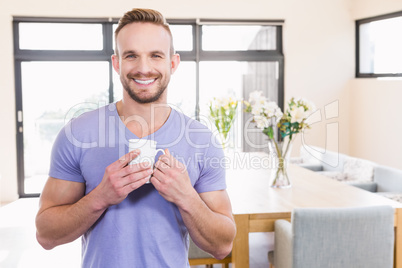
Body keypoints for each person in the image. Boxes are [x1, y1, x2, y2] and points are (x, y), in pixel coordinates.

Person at [35, 8, 236, 268]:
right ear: (117, 63)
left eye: (155, 55)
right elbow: (45, 235)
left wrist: (186, 197)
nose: (143, 68)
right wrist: (101, 197)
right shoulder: (77, 134)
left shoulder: (202, 141)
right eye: (131, 56)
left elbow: (223, 245)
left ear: (172, 64)